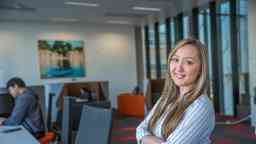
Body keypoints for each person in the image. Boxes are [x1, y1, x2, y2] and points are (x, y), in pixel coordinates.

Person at [136, 38, 215, 144]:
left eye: (188, 62)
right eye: (175, 60)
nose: (178, 68)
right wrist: (148, 138)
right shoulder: (167, 98)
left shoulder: (200, 105)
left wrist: (146, 138)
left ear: (201, 69)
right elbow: (141, 128)